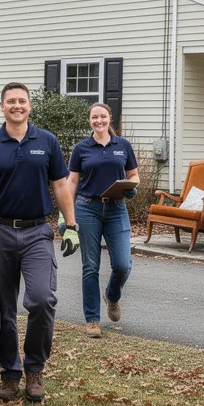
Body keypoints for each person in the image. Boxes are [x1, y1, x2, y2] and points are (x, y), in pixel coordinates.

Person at [0, 83, 78, 403]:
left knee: (42, 299)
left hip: (36, 232)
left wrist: (71, 226)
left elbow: (60, 184)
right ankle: (10, 373)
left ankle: (35, 368)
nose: (17, 105)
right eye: (11, 101)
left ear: (29, 106)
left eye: (22, 101)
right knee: (3, 308)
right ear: (2, 106)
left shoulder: (47, 141)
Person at [67, 103, 139, 338]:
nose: (99, 121)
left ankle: (112, 295)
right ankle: (92, 320)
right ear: (89, 120)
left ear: (110, 118)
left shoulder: (123, 145)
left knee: (122, 264)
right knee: (90, 267)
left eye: (103, 117)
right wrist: (66, 216)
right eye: (94, 117)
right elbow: (72, 183)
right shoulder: (81, 148)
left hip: (117, 208)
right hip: (87, 209)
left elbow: (133, 175)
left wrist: (132, 188)